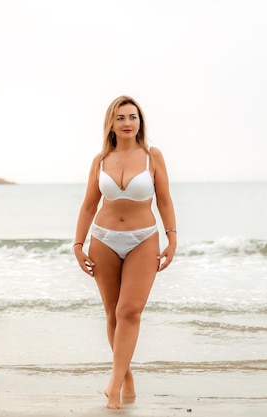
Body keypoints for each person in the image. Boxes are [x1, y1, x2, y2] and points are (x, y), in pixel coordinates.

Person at [73, 95, 177, 409]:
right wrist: (78, 245)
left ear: (140, 122)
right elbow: (90, 204)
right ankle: (126, 375)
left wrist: (172, 239)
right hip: (103, 239)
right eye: (121, 118)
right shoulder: (100, 160)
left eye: (133, 117)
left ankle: (114, 386)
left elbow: (165, 201)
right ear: (112, 123)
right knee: (111, 313)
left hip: (143, 239)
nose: (128, 123)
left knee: (128, 311)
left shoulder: (152, 156)